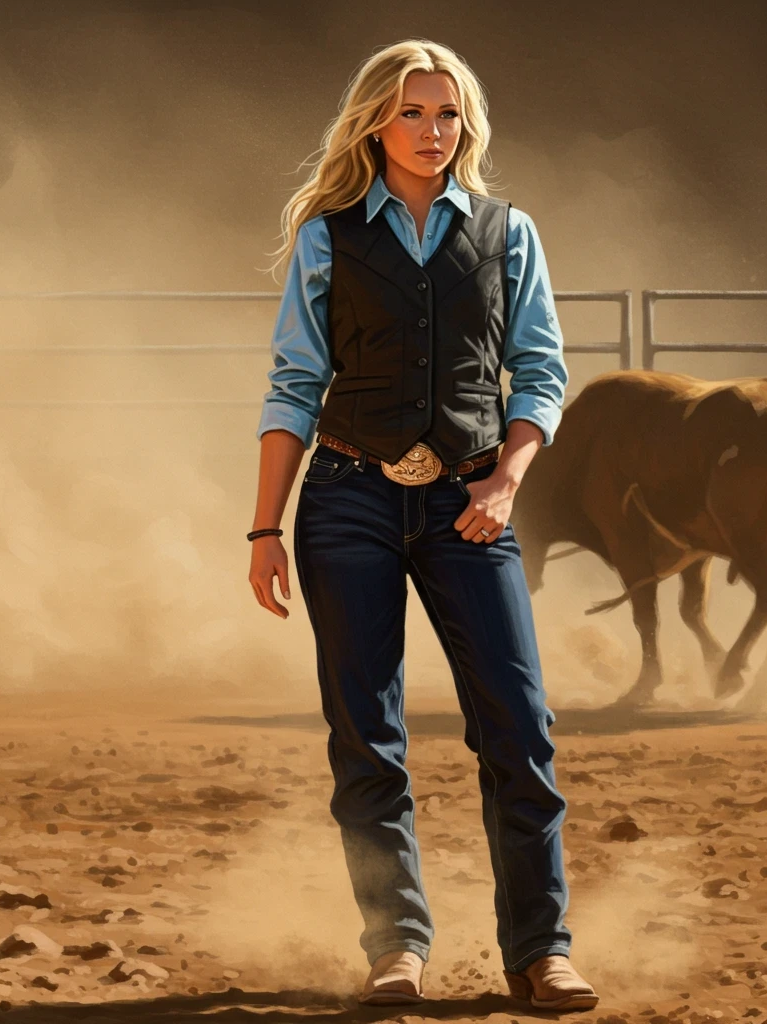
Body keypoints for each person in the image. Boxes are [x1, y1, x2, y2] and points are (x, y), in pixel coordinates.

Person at [248, 38, 598, 1012]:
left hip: (469, 506)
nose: (432, 130)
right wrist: (264, 530)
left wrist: (506, 484)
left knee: (518, 726)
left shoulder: (506, 232)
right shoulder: (327, 236)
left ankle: (541, 951)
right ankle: (395, 946)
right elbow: (293, 384)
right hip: (346, 500)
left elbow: (540, 374)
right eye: (412, 112)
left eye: (448, 113)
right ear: (375, 122)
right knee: (367, 734)